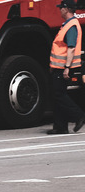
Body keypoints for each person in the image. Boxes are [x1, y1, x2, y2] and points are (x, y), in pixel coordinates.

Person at [48, 0, 85, 135]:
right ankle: (60, 126)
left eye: (61, 8)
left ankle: (78, 116)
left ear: (66, 9)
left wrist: (67, 68)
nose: (60, 10)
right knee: (57, 94)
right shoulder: (67, 25)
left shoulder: (72, 26)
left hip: (64, 67)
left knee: (59, 94)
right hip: (59, 67)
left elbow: (71, 48)